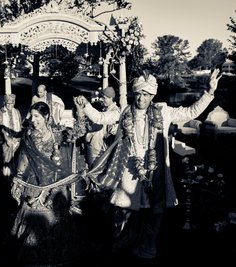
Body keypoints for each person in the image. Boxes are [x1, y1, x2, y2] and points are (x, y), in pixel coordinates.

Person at [87, 69, 222, 262]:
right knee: (124, 211)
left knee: (154, 213)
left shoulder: (163, 112)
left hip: (155, 170)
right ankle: (123, 246)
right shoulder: (125, 112)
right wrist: (85, 107)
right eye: (139, 93)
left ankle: (147, 247)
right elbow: (101, 118)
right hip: (130, 169)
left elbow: (190, 112)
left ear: (152, 95)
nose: (141, 98)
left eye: (146, 94)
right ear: (135, 93)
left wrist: (209, 93)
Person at [10, 101, 84, 266]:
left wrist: (79, 112)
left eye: (37, 116)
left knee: (56, 220)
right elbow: (24, 158)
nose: (33, 120)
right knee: (33, 221)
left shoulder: (56, 133)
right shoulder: (29, 135)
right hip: (35, 183)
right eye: (31, 116)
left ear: (47, 117)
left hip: (55, 185)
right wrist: (18, 178)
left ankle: (57, 258)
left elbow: (78, 132)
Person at [74, 86, 121, 169]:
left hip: (102, 154)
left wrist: (87, 103)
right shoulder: (103, 109)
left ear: (112, 98)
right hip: (91, 150)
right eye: (101, 97)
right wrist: (80, 109)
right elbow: (84, 125)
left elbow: (99, 118)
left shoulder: (115, 113)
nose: (102, 100)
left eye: (105, 98)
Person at [0, 94, 22, 177]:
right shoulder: (0, 113)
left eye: (12, 104)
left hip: (16, 139)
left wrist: (18, 138)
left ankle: (15, 176)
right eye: (8, 104)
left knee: (17, 159)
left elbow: (19, 125)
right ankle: (6, 177)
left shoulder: (17, 111)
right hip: (5, 140)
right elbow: (1, 128)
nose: (10, 106)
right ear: (5, 103)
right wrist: (7, 139)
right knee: (7, 160)